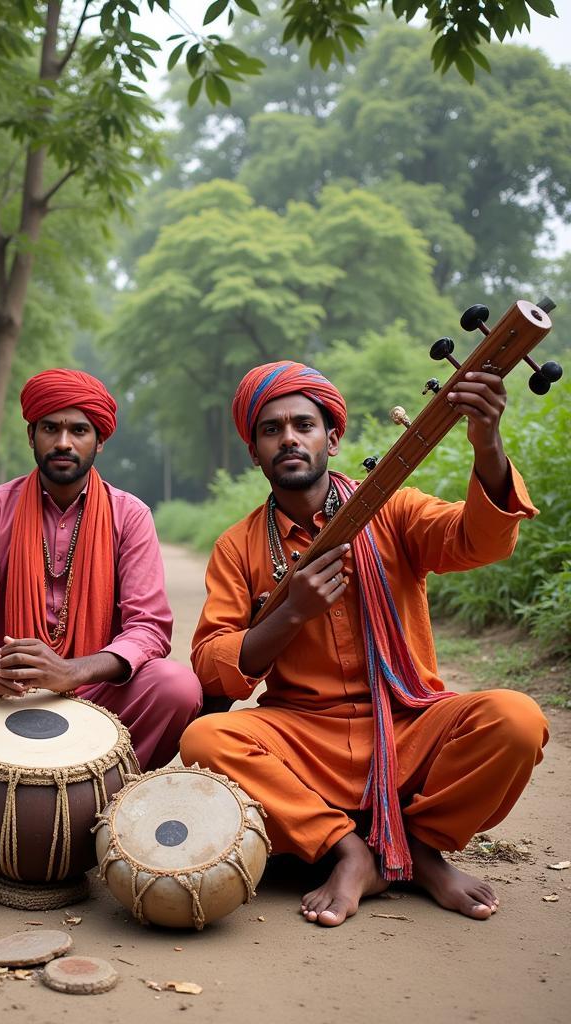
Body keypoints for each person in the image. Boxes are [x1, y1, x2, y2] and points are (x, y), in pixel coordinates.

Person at [180, 361, 548, 927]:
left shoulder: (392, 510)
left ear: (332, 437)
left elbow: (478, 541)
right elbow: (212, 667)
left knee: (516, 719)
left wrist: (487, 444)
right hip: (304, 736)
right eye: (271, 430)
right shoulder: (238, 546)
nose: (289, 439)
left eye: (303, 424)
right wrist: (291, 613)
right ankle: (346, 850)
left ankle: (421, 849)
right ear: (254, 453)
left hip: (407, 724)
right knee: (207, 738)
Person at [0, 368, 202, 769]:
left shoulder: (129, 516)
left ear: (100, 442)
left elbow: (147, 627)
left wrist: (69, 672)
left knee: (177, 687)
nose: (63, 442)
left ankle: (102, 794)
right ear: (32, 436)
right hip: (2, 691)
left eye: (79, 430)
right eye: (50, 428)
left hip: (96, 692)